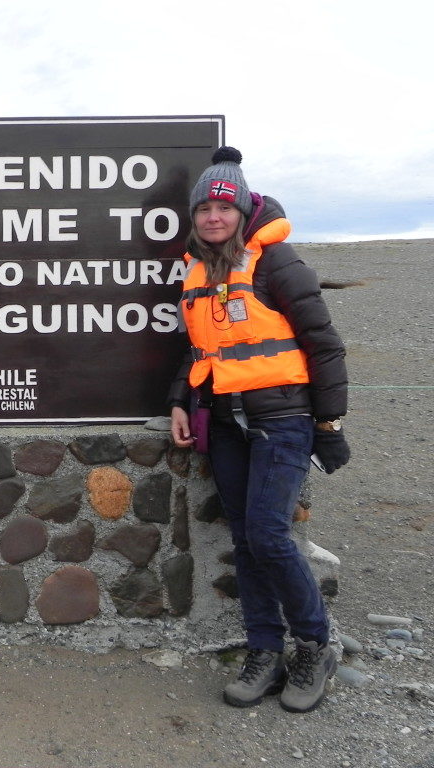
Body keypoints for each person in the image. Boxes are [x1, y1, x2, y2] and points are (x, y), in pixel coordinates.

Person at [167, 147, 351, 713]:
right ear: (195, 217)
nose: (213, 218)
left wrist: (328, 421)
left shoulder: (276, 262)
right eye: (204, 210)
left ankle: (316, 645)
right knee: (246, 540)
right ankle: (264, 650)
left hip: (282, 418)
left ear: (243, 211)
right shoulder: (197, 271)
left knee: (270, 535)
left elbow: (323, 343)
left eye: (224, 208)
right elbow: (203, 349)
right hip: (224, 421)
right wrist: (179, 399)